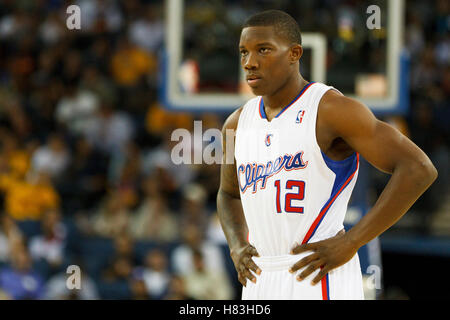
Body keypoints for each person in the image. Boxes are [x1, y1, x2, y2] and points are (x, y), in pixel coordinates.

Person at [217, 10, 438, 300]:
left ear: (295, 53)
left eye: (264, 50)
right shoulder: (236, 123)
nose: (250, 62)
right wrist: (236, 245)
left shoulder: (331, 110)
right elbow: (228, 194)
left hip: (318, 274)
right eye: (244, 52)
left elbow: (419, 168)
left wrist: (353, 241)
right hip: (260, 278)